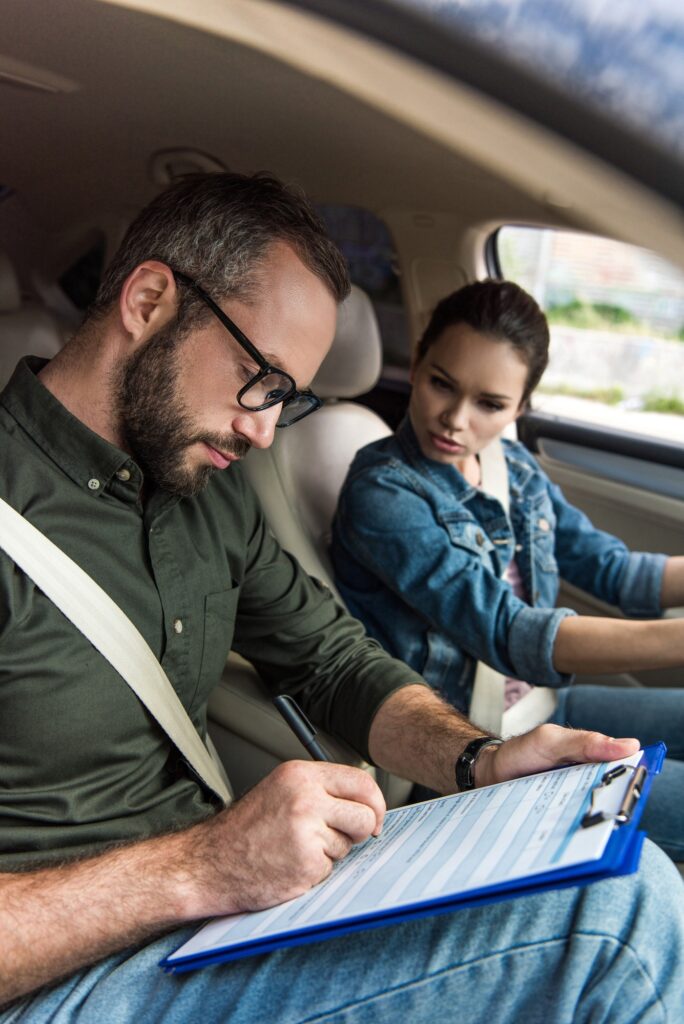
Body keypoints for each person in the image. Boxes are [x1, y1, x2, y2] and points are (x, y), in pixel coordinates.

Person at [0, 177, 681, 1023]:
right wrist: (201, 866)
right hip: (64, 983)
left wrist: (480, 762)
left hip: (220, 919)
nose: (260, 432)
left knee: (604, 864)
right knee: (616, 920)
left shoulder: (209, 491)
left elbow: (332, 660)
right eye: (261, 381)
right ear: (148, 301)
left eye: (288, 401)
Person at [331, 278, 684, 862]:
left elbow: (611, 568)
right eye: (442, 384)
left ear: (520, 408)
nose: (454, 419)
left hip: (547, 711)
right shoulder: (382, 492)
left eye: (490, 404)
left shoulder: (513, 467)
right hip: (474, 747)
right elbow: (509, 632)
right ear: (416, 365)